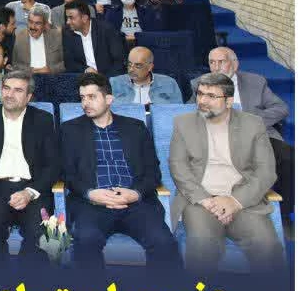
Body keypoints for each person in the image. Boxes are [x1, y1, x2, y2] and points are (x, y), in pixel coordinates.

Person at [60, 72, 180, 268]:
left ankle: (162, 288)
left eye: (92, 97)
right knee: (86, 240)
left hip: (135, 202)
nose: (85, 103)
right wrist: (91, 193)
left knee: (163, 242)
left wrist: (135, 193)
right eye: (82, 98)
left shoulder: (135, 127)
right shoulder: (70, 130)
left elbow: (153, 172)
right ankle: (91, 289)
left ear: (109, 99)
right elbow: (67, 173)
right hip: (92, 203)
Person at [169, 72, 283, 269]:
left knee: (267, 247)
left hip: (243, 201)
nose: (202, 101)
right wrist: (207, 200)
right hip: (200, 201)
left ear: (229, 101)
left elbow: (266, 171)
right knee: (203, 245)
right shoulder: (183, 123)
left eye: (211, 96)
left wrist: (235, 201)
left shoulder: (253, 124)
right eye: (200, 94)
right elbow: (178, 166)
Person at [0, 67, 60, 264]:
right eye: (6, 88)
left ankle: (28, 279)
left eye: (18, 90)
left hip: (32, 188)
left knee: (39, 234)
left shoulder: (42, 120)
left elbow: (53, 165)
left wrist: (30, 192)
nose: (10, 94)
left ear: (29, 97)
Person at [200, 47, 293, 217]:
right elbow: (190, 114)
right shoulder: (200, 84)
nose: (216, 67)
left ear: (234, 64)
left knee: (288, 156)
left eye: (221, 62)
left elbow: (281, 108)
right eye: (212, 62)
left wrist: (253, 122)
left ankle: (284, 214)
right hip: (219, 139)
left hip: (258, 135)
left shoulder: (255, 82)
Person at [63, 3, 126, 75]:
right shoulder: (67, 32)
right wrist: (85, 70)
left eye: (71, 18)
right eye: (67, 18)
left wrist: (104, 78)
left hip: (109, 75)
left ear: (84, 18)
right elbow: (69, 62)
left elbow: (119, 60)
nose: (68, 22)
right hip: (85, 76)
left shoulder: (106, 29)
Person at [111, 47, 183, 105]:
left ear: (150, 67)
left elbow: (177, 110)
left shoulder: (169, 83)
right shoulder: (114, 83)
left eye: (138, 65)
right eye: (129, 64)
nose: (131, 69)